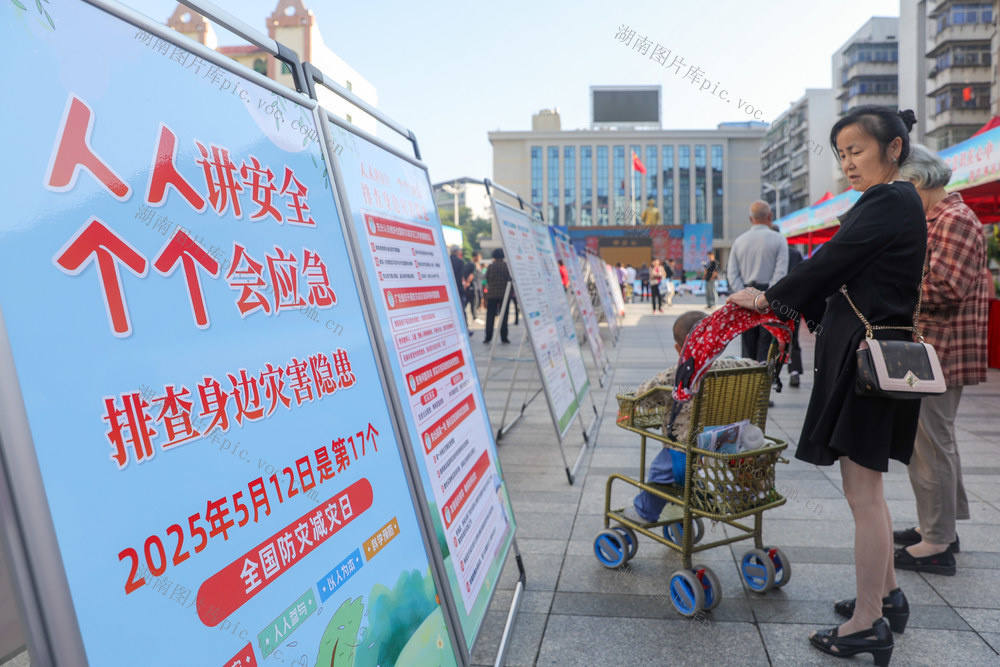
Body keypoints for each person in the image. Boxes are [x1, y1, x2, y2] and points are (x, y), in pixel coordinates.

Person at [730, 105, 924, 665]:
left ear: (892, 149)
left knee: (862, 495)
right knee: (869, 491)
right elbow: (843, 268)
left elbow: (832, 261)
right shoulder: (900, 200)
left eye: (857, 151)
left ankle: (868, 623)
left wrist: (769, 298)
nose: (847, 164)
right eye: (841, 154)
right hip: (877, 355)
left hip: (866, 362)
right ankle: (887, 595)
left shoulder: (887, 199)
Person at [891, 144, 991, 576]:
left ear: (916, 182)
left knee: (929, 447)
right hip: (934, 349)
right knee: (934, 445)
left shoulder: (952, 219)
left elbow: (945, 288)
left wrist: (891, 284)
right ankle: (940, 529)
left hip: (939, 351)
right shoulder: (945, 218)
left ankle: (935, 542)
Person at [621, 311, 756, 522]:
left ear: (679, 348)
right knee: (684, 469)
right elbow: (758, 368)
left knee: (660, 473)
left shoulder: (677, 374)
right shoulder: (738, 366)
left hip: (685, 450)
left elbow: (643, 396)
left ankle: (644, 512)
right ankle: (701, 496)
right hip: (723, 446)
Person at [727, 202, 788, 362]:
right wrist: (767, 296)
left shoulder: (739, 241)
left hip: (746, 293)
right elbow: (780, 273)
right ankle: (764, 380)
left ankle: (749, 380)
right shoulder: (779, 240)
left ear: (750, 219)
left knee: (748, 342)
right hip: (769, 294)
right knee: (766, 341)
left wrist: (743, 294)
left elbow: (732, 273)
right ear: (770, 216)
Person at [484, 248, 511, 344]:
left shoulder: (491, 267)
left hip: (492, 295)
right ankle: (504, 337)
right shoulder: (507, 267)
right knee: (504, 316)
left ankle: (488, 337)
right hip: (504, 295)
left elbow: (487, 279)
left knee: (490, 316)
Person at [450, 246, 468, 327]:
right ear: (457, 251)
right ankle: (464, 327)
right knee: (461, 309)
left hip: (448, 289)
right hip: (458, 288)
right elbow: (460, 277)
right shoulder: (460, 262)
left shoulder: (446, 260)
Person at [463, 251, 483, 325]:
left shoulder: (469, 264)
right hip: (473, 286)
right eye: (479, 256)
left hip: (474, 286)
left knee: (469, 302)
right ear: (475, 257)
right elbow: (471, 275)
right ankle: (474, 317)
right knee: (473, 302)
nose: (480, 258)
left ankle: (473, 316)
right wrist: (467, 282)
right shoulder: (473, 265)